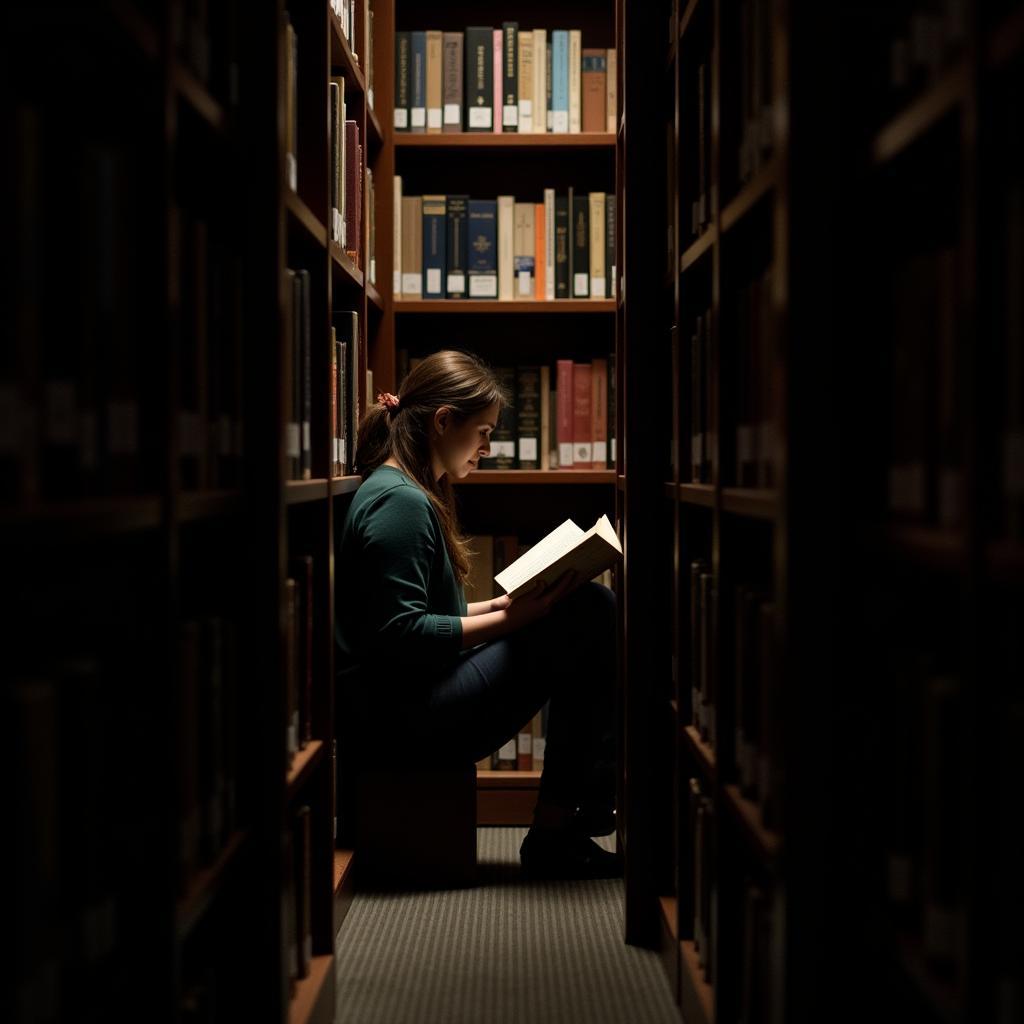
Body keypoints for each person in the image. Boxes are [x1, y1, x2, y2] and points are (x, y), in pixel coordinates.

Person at [335, 349, 619, 879]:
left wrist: (504, 605)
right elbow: (400, 634)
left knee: (582, 609)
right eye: (483, 432)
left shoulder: (403, 491)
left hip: (406, 696)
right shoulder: (402, 502)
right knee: (593, 610)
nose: (487, 449)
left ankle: (569, 819)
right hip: (403, 716)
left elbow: (419, 612)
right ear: (443, 421)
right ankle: (563, 827)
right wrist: (516, 619)